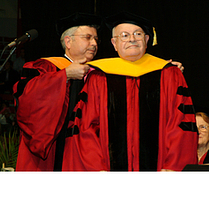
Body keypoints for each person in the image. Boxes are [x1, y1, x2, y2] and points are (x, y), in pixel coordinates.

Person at [66, 11, 198, 171]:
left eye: (138, 34)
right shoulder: (99, 76)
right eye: (124, 35)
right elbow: (86, 126)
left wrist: (172, 167)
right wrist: (96, 168)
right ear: (114, 43)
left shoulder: (169, 74)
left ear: (147, 40)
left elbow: (181, 124)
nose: (132, 39)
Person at [13, 13, 103, 171]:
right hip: (53, 153)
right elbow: (26, 100)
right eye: (88, 37)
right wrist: (65, 75)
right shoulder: (44, 67)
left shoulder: (100, 75)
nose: (94, 43)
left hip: (86, 154)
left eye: (96, 39)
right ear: (68, 41)